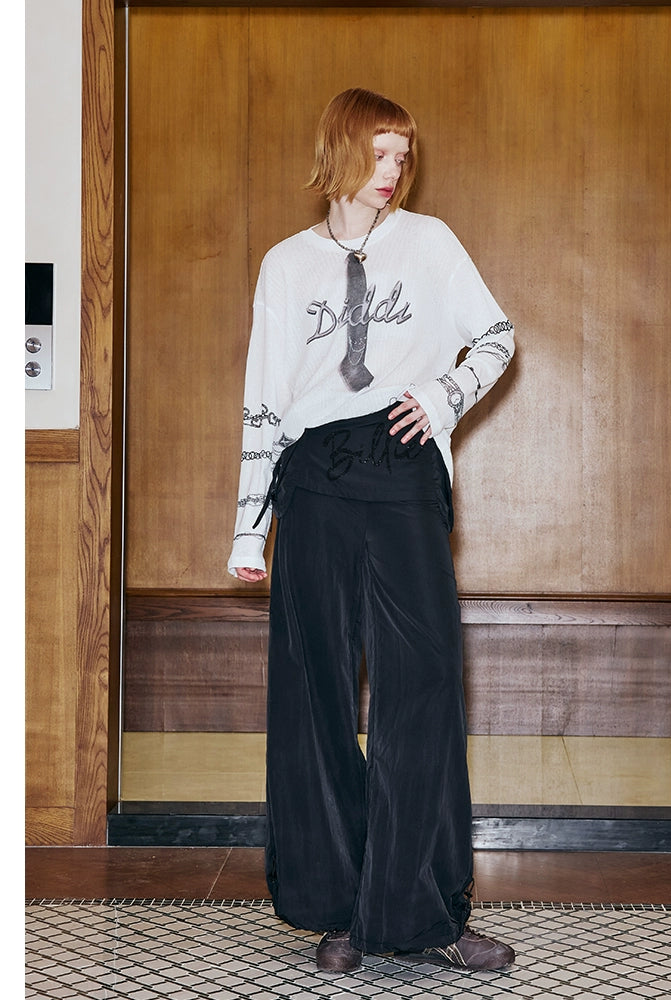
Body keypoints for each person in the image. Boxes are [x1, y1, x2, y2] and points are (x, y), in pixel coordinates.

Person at [228, 87, 516, 974]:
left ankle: (424, 912)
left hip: (402, 470)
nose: (392, 171)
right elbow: (265, 397)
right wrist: (247, 530)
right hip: (313, 478)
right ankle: (342, 909)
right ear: (341, 151)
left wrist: (442, 395)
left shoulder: (430, 244)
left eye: (402, 155)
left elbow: (497, 336)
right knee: (315, 694)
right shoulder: (286, 265)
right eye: (379, 152)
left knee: (422, 688)